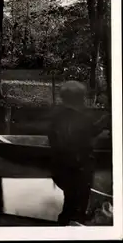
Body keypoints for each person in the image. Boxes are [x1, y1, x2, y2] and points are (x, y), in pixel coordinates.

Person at [47, 80, 111, 225]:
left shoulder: (56, 117)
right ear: (77, 98)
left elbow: (54, 140)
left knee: (69, 200)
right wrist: (106, 118)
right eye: (82, 97)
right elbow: (93, 131)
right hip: (78, 166)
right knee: (79, 203)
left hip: (60, 166)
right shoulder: (80, 118)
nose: (84, 100)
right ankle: (75, 225)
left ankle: (64, 223)